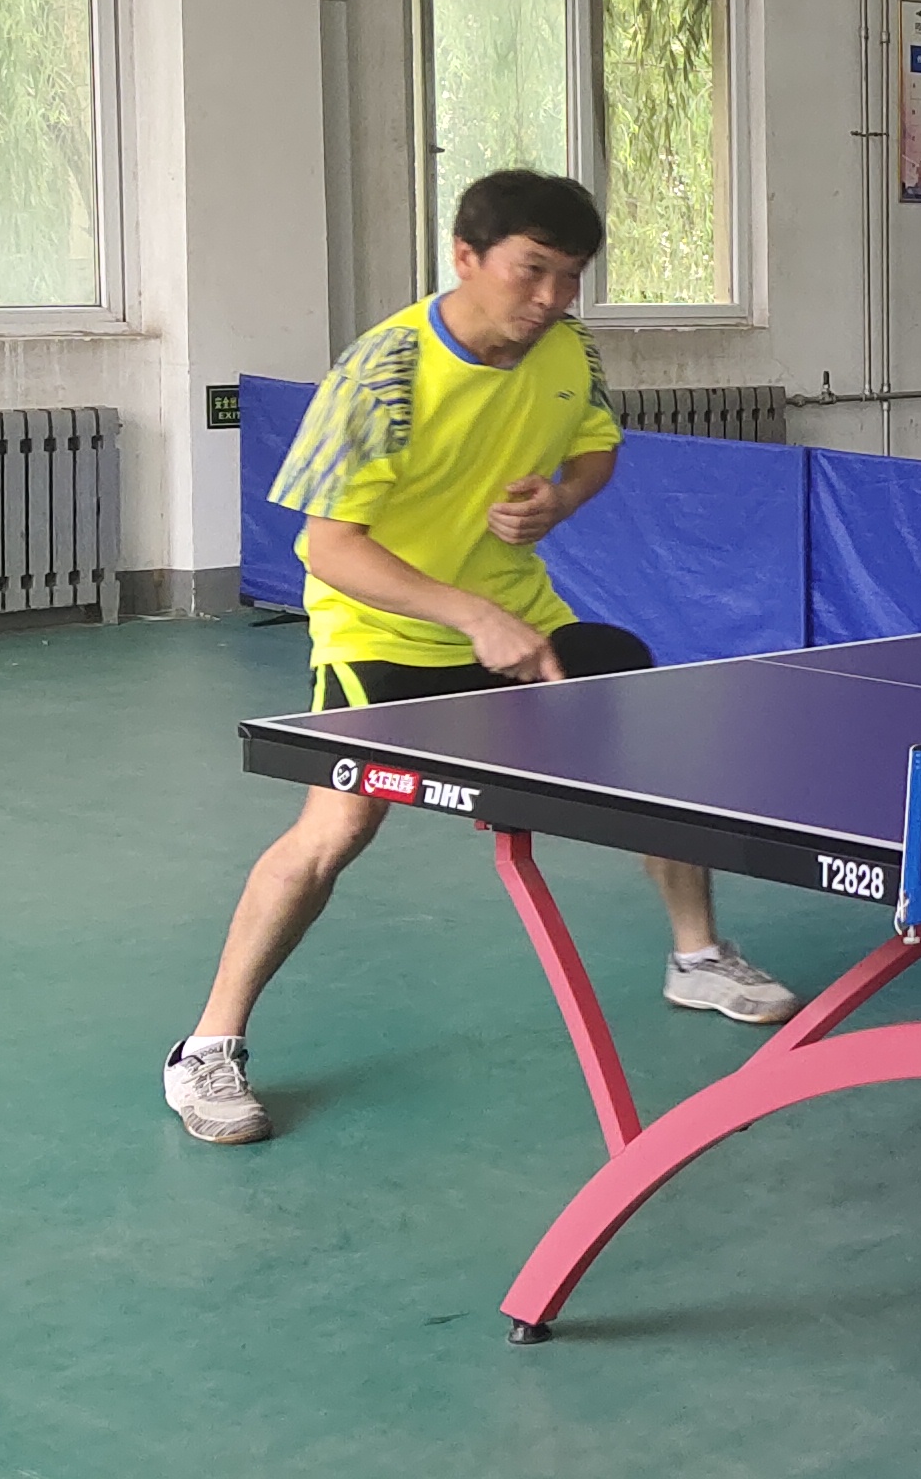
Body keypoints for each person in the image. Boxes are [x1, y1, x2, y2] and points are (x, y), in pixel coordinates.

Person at [163, 170, 802, 1147]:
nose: (550, 297)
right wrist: (469, 615)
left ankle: (697, 956)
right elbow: (327, 549)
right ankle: (207, 1047)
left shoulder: (569, 350)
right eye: (530, 270)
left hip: (519, 619)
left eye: (570, 276)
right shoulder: (385, 373)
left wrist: (560, 499)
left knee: (657, 749)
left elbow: (596, 450)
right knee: (337, 828)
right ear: (466, 257)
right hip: (384, 632)